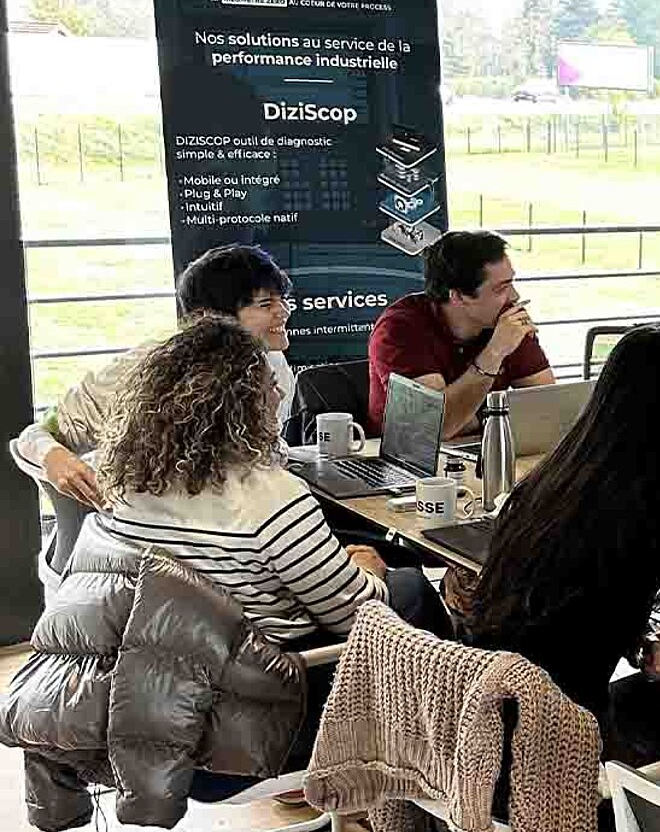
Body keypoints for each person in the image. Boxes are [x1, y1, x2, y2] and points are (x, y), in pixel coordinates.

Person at [95, 319, 451, 754]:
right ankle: (442, 758)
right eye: (267, 386)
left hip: (156, 708)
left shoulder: (129, 488)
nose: (281, 395)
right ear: (238, 406)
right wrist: (366, 571)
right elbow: (355, 617)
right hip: (261, 720)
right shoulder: (269, 498)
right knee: (409, 588)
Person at [461, 325, 660, 754]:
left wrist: (632, 632)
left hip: (482, 719)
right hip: (557, 744)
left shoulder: (555, 479)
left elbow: (567, 610)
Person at [16, 242, 297, 514]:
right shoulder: (150, 368)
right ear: (212, 317)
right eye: (265, 304)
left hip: (234, 526)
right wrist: (52, 456)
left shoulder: (273, 365)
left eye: (282, 300)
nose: (283, 311)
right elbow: (36, 434)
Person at [367, 230, 554, 437]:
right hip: (401, 459)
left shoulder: (504, 319)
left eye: (511, 283)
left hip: (480, 448)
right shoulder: (399, 329)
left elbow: (547, 408)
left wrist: (475, 419)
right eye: (501, 289)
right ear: (457, 296)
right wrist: (494, 353)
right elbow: (436, 428)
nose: (514, 296)